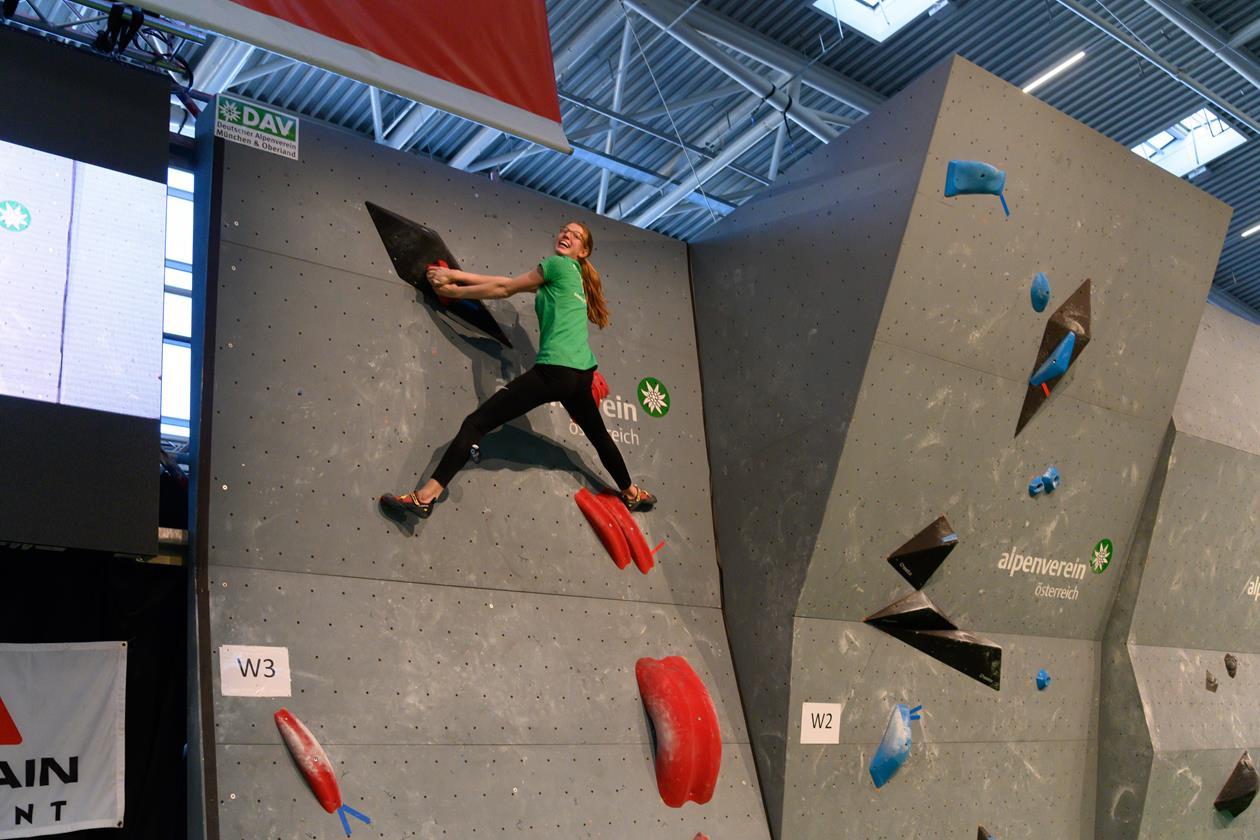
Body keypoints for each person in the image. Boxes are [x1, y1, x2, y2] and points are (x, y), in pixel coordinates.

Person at [380, 221, 656, 519]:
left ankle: (425, 497)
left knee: (476, 424)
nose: (567, 235)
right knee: (600, 437)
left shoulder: (559, 265)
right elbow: (506, 285)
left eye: (576, 236)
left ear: (583, 251)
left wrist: (452, 284)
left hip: (557, 372)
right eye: (564, 230)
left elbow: (504, 288)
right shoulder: (576, 277)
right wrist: (456, 277)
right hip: (580, 376)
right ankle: (632, 493)